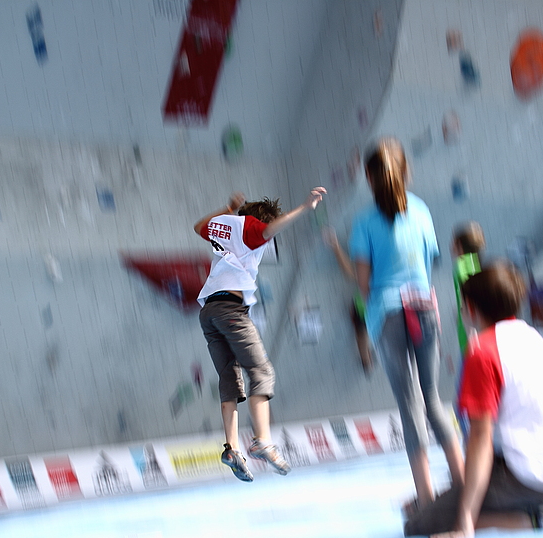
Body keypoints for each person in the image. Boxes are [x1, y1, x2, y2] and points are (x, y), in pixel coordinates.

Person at [405, 263, 543, 538]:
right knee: (439, 502)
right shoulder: (532, 337)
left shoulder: (483, 350)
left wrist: (465, 519)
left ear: (469, 309)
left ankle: (536, 520)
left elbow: (481, 437)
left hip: (527, 476)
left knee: (419, 524)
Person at [348, 137, 464, 506]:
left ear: (368, 176)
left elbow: (364, 283)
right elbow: (426, 263)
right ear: (406, 171)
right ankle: (465, 485)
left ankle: (427, 497)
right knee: (432, 398)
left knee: (409, 403)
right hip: (424, 306)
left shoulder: (363, 221)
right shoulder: (422, 210)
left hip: (388, 311)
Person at [195, 186, 326, 482]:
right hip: (230, 310)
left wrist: (227, 209)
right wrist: (305, 207)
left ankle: (232, 448)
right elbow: (269, 229)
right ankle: (262, 440)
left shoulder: (228, 228)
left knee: (229, 377)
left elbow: (199, 227)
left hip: (209, 313)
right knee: (261, 370)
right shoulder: (251, 229)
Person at [322, 227, 375, 373]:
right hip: (366, 305)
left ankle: (367, 361)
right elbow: (351, 273)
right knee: (361, 332)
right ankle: (366, 361)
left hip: (367, 305)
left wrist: (336, 247)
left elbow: (351, 273)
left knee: (361, 332)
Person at [451, 221, 484, 359]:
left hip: (468, 332)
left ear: (459, 246)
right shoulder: (476, 262)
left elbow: (467, 297)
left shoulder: (460, 265)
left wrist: (462, 317)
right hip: (479, 328)